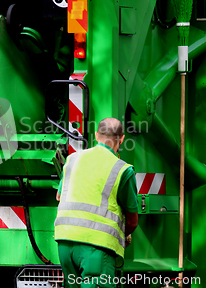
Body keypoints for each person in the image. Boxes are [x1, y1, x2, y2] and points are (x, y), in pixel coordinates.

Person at [54, 117, 139, 288]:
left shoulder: (72, 159)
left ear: (95, 135)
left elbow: (59, 196)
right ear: (121, 139)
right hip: (96, 248)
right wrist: (124, 234)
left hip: (64, 243)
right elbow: (132, 221)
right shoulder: (123, 170)